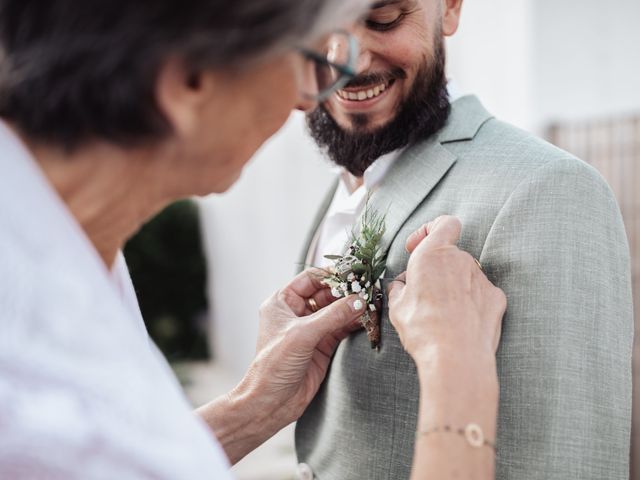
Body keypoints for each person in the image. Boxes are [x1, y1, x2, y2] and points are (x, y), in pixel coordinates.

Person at [0, 1, 506, 479]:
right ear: (190, 80)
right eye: (309, 55)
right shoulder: (33, 381)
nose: (309, 96)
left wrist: (250, 407)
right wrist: (458, 376)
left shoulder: (62, 244)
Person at [295, 0, 634, 479]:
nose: (346, 58)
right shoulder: (342, 180)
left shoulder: (549, 190)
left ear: (449, 8)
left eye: (384, 18)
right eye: (315, 24)